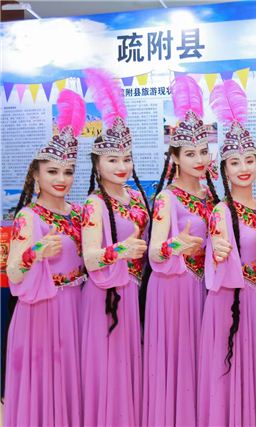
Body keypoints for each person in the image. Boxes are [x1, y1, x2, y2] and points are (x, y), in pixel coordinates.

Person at [4, 90, 86, 426]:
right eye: (53, 171)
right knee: (45, 383)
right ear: (36, 175)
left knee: (71, 382)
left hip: (78, 305)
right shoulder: (29, 216)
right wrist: (36, 252)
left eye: (68, 171)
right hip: (43, 309)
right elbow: (13, 272)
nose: (61, 179)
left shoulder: (80, 212)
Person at [143, 76, 219, 426]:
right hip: (174, 288)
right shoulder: (166, 198)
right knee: (179, 361)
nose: (199, 159)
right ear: (174, 157)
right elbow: (154, 253)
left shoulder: (212, 196)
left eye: (203, 151)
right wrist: (176, 244)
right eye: (190, 153)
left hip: (205, 286)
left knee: (202, 362)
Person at [80, 68, 151, 426]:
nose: (122, 166)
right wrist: (120, 251)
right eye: (112, 159)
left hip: (133, 291)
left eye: (126, 158)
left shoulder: (136, 197)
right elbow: (90, 259)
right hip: (104, 296)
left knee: (128, 367)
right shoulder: (94, 204)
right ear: (97, 163)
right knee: (108, 371)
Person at [198, 79, 256, 426]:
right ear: (224, 170)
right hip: (230, 300)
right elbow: (218, 251)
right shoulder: (221, 210)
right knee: (226, 370)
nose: (244, 168)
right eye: (235, 162)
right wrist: (217, 249)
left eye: (249, 160)